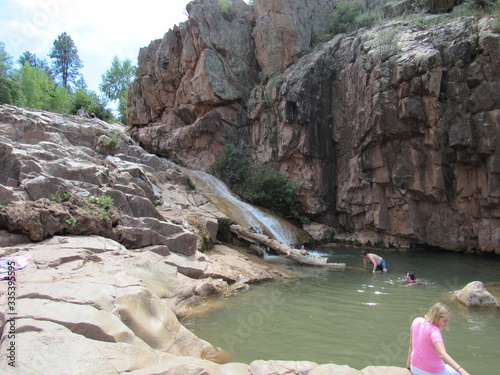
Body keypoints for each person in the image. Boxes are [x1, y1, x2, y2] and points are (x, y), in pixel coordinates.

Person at [406, 303, 471, 375]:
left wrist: (408, 365)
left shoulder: (416, 321)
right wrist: (461, 370)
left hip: (415, 368)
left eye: (448, 321)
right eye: (444, 321)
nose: (447, 324)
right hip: (430, 372)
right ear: (436, 317)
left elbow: (411, 345)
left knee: (446, 366)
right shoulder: (434, 331)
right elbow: (442, 354)